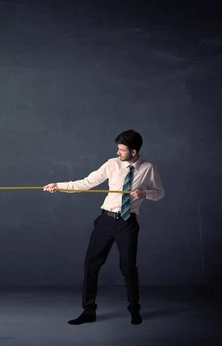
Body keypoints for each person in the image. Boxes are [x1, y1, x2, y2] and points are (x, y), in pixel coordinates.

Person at [43, 129, 164, 325]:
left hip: (127, 222)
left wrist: (145, 194)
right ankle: (88, 311)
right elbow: (86, 183)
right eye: (118, 149)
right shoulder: (111, 164)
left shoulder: (149, 168)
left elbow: (159, 193)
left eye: (122, 150)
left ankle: (135, 310)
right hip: (105, 221)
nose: (118, 153)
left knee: (128, 268)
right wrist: (59, 185)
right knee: (91, 264)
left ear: (134, 152)